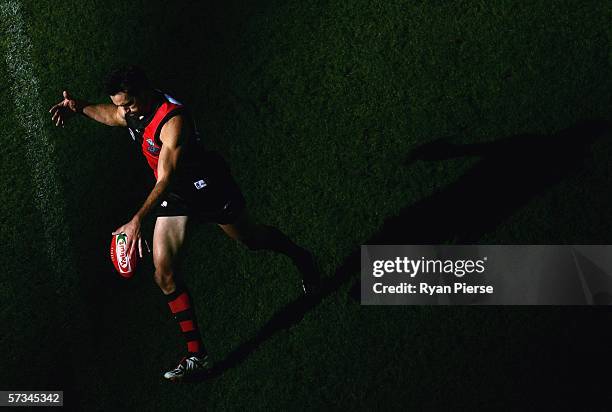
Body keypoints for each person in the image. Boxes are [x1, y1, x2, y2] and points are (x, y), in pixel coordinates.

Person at [49, 65, 320, 381]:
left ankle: (302, 258)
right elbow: (111, 115)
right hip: (175, 197)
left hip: (206, 188)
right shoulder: (132, 111)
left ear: (145, 92)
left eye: (127, 103)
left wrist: (137, 220)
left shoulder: (172, 120)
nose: (123, 110)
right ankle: (197, 356)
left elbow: (167, 176)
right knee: (163, 274)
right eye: (119, 103)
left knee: (252, 239)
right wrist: (79, 107)